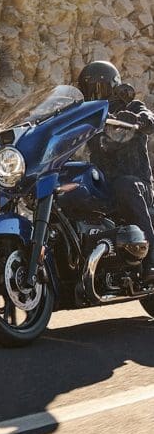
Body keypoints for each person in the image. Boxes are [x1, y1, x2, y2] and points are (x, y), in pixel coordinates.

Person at [76, 60, 154, 281]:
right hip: (102, 185)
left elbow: (149, 118)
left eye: (99, 89)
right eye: (90, 90)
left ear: (113, 87)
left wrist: (141, 121)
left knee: (124, 184)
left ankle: (152, 260)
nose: (95, 95)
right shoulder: (89, 119)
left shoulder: (132, 107)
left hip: (137, 185)